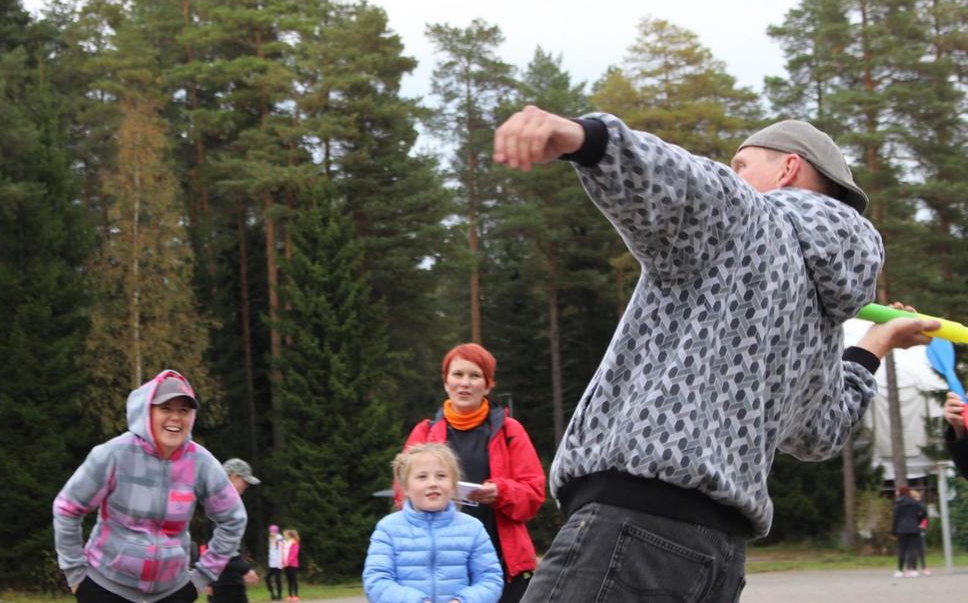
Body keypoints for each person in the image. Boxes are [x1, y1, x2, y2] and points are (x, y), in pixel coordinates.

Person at [492, 107, 941, 602]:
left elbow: (678, 180)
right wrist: (877, 343)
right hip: (719, 557)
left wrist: (582, 136)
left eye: (742, 163)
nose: (734, 174)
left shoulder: (747, 216)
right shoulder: (822, 317)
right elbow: (820, 432)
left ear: (788, 169)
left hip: (633, 525)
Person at [53, 370, 247, 603]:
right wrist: (75, 574)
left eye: (183, 410)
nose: (175, 417)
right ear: (147, 412)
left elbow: (234, 519)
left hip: (173, 592)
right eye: (165, 408)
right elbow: (67, 508)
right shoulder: (113, 455)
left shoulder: (201, 463)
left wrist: (203, 577)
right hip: (106, 588)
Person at [401, 343, 545, 603]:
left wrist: (500, 492)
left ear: (488, 385)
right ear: (446, 382)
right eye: (458, 375)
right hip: (442, 568)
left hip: (502, 566)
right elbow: (403, 496)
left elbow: (534, 496)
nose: (465, 383)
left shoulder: (511, 431)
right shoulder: (424, 433)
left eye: (475, 375)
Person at [364, 443, 503, 603]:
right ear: (406, 488)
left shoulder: (473, 528)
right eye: (422, 477)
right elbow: (376, 581)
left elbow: (490, 579)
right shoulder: (388, 528)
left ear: (453, 485)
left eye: (441, 476)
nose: (433, 483)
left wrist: (463, 601)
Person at [208, 459, 261, 603]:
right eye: (245, 481)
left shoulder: (220, 501)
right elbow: (221, 546)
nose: (246, 486)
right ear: (234, 477)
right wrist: (244, 568)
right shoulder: (222, 504)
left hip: (229, 580)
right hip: (226, 581)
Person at [892, 485, 927, 577]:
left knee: (902, 550)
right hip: (914, 527)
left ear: (901, 492)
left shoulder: (898, 503)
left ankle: (900, 570)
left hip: (902, 528)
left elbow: (895, 517)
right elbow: (923, 512)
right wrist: (918, 520)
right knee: (913, 549)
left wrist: (894, 530)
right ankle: (914, 570)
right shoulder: (915, 502)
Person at [282, 530, 300, 602]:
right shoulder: (285, 543)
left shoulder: (294, 543)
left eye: (285, 535)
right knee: (289, 580)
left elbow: (294, 554)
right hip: (286, 565)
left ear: (289, 535)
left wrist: (288, 562)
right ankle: (290, 595)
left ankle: (296, 595)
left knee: (294, 580)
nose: (284, 536)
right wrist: (283, 563)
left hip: (292, 565)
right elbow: (284, 554)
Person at [266, 526, 284, 600]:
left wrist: (281, 563)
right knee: (267, 578)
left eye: (272, 532)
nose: (270, 533)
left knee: (277, 579)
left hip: (278, 563)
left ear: (275, 532)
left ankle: (279, 596)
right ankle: (272, 594)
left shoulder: (279, 539)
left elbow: (281, 551)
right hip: (272, 563)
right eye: (270, 531)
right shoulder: (271, 538)